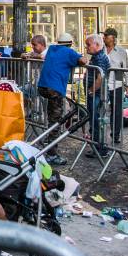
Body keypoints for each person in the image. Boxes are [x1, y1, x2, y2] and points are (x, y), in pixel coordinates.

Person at [37, 33, 87, 166]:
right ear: (70, 43)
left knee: (51, 118)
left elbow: (41, 55)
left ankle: (47, 140)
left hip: (43, 86)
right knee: (56, 122)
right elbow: (83, 61)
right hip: (55, 88)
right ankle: (52, 154)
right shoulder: (69, 52)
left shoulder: (53, 49)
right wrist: (80, 58)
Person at [83, 34, 110, 157]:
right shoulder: (96, 57)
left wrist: (91, 91)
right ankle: (98, 147)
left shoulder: (100, 58)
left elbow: (101, 77)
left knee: (96, 121)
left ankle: (100, 148)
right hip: (96, 94)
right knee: (94, 120)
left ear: (97, 45)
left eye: (88, 45)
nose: (86, 47)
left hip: (97, 95)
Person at [102, 28, 128, 145]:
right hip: (102, 85)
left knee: (117, 111)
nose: (104, 38)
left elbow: (127, 69)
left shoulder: (121, 52)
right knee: (100, 110)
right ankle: (99, 136)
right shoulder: (100, 49)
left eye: (106, 36)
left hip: (117, 84)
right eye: (104, 36)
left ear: (113, 38)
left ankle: (116, 134)